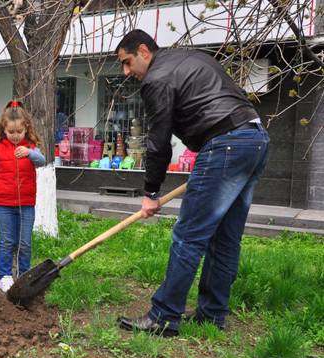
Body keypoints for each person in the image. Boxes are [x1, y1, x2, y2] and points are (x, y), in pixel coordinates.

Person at [115, 30, 269, 336]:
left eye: (128, 62)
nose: (127, 72)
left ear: (144, 51)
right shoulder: (192, 57)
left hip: (225, 143)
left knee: (189, 236)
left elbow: (159, 141)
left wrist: (150, 192)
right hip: (255, 139)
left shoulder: (156, 78)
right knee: (225, 238)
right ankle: (212, 315)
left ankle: (164, 315)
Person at [0, 101, 46, 293]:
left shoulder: (31, 148)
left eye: (19, 132)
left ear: (26, 128)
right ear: (4, 129)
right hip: (3, 204)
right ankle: (5, 275)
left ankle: (23, 275)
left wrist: (29, 153)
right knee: (8, 241)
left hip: (26, 203)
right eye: (11, 132)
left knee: (25, 242)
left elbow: (42, 161)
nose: (16, 136)